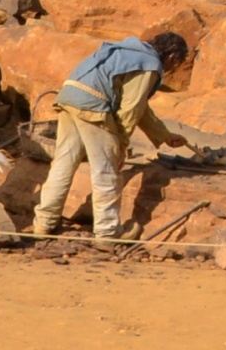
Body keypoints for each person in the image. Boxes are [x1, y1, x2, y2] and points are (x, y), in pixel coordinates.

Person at [33, 31, 189, 245]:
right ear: (172, 57)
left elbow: (139, 106)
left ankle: (44, 223)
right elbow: (131, 109)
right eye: (176, 64)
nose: (172, 69)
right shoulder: (149, 64)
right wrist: (120, 145)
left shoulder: (130, 51)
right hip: (93, 106)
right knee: (106, 170)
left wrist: (164, 135)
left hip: (70, 96)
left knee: (63, 163)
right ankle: (107, 233)